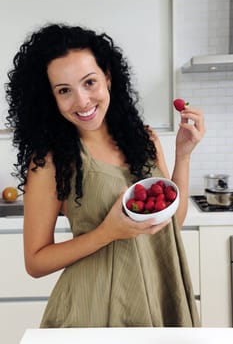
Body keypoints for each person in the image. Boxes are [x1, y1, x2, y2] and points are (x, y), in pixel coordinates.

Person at [5, 23, 205, 328]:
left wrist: (184, 154)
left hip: (158, 287)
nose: (82, 101)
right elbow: (35, 261)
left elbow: (170, 223)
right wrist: (107, 232)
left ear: (108, 76)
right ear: (51, 98)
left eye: (89, 82)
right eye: (64, 91)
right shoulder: (51, 161)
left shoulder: (144, 138)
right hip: (93, 304)